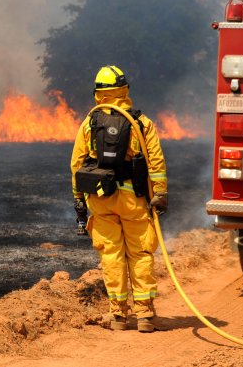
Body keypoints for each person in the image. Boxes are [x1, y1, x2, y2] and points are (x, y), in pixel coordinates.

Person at [70, 65, 168, 333]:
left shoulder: (90, 122)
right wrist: (159, 193)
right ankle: (146, 315)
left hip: (100, 199)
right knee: (140, 253)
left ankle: (118, 317)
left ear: (98, 93)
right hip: (134, 199)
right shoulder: (141, 122)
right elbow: (156, 162)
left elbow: (76, 163)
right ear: (124, 90)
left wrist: (78, 197)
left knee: (111, 255)